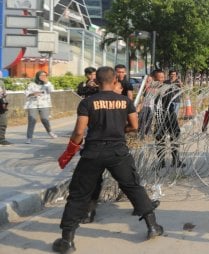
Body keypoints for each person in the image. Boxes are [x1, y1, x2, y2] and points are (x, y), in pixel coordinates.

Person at [53, 66, 163, 253]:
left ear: (96, 82)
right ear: (114, 81)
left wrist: (70, 149)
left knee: (79, 193)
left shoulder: (88, 103)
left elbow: (79, 132)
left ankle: (67, 240)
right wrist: (119, 131)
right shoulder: (124, 101)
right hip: (118, 152)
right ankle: (152, 226)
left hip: (93, 152)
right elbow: (134, 126)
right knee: (133, 187)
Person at [153, 69, 185, 168]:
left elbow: (177, 94)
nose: (161, 80)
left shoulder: (167, 87)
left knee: (175, 136)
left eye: (163, 78)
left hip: (170, 115)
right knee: (159, 138)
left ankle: (176, 160)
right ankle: (161, 161)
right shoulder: (151, 89)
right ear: (155, 79)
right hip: (159, 116)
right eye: (159, 78)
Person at [24, 71, 56, 143]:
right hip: (33, 104)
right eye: (41, 75)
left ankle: (50, 132)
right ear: (37, 76)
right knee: (32, 120)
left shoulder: (48, 84)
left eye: (44, 75)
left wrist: (47, 82)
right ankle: (29, 137)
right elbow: (26, 93)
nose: (43, 77)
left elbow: (52, 90)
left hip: (45, 104)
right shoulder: (31, 84)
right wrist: (33, 94)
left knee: (45, 119)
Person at [0, 79, 10, 145]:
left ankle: (2, 139)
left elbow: (4, 92)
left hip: (1, 103)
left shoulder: (1, 82)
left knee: (3, 122)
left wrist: (4, 94)